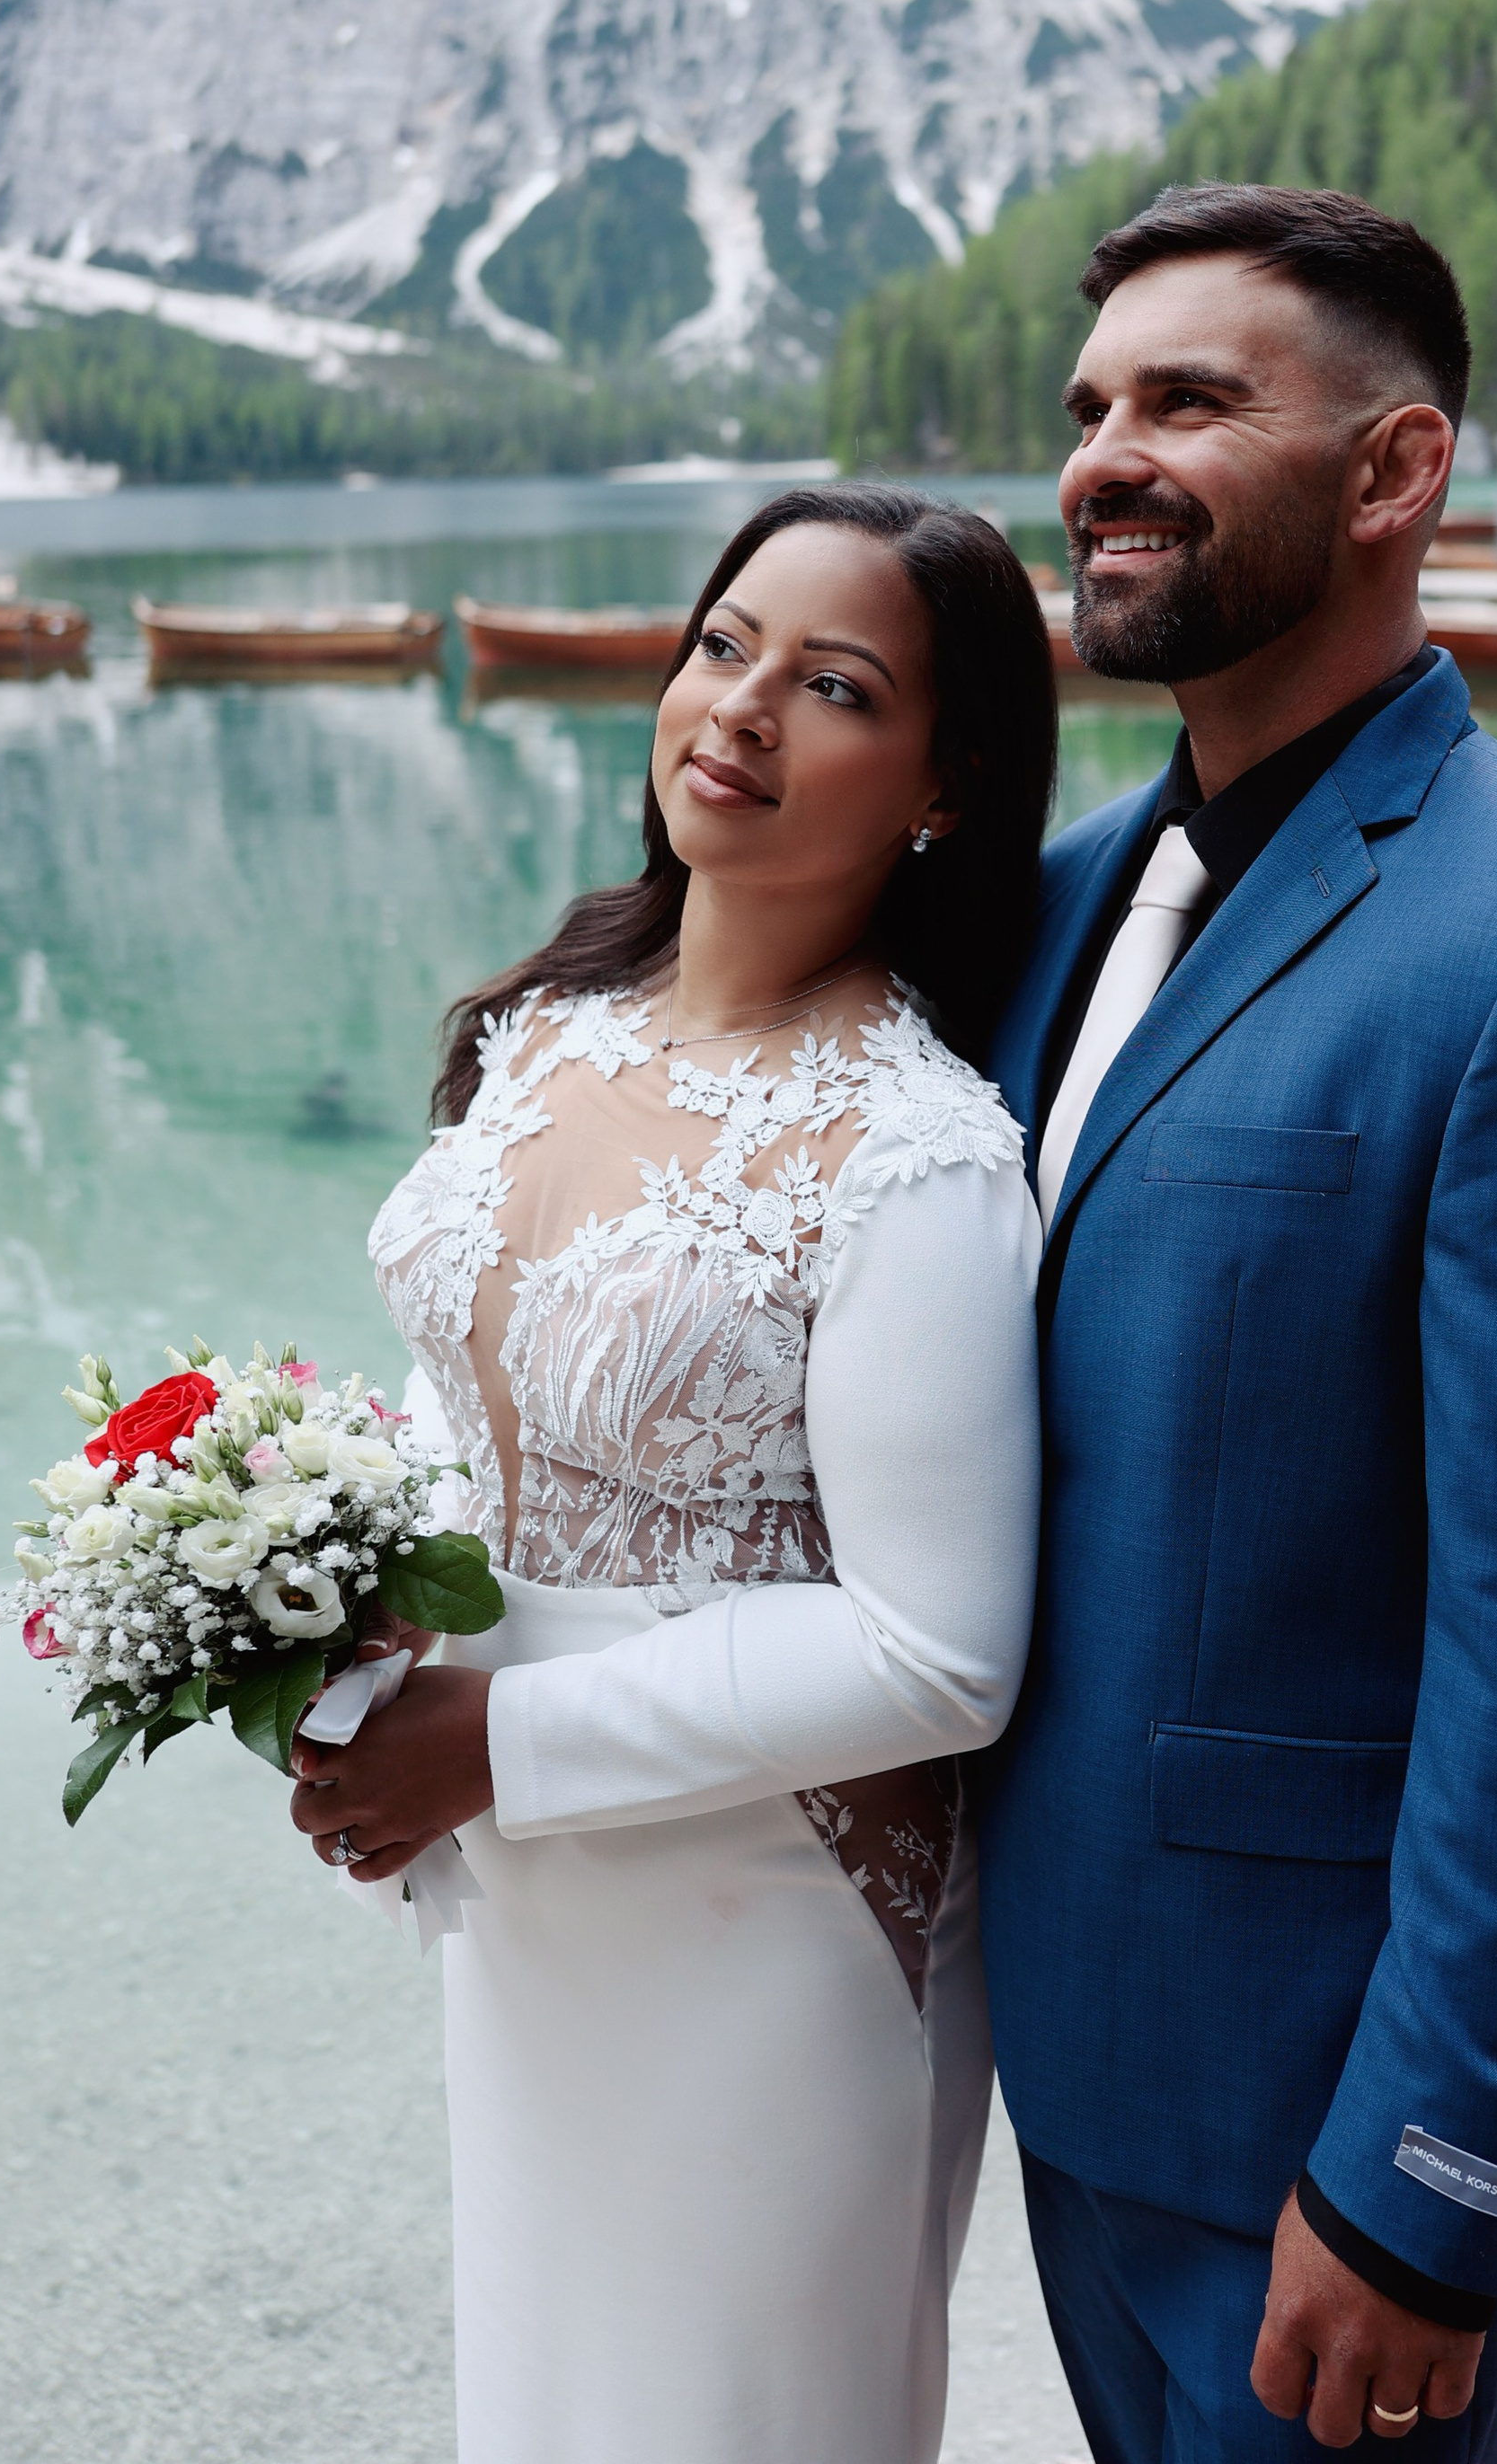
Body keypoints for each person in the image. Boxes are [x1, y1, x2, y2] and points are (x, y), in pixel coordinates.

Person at [979, 184, 1497, 2461]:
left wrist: (1433, 2183)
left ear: (1391, 472)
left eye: (1188, 400)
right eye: (1087, 406)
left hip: (1333, 2145)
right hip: (1069, 2070)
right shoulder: (1051, 915)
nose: (1100, 457)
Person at [288, 487, 1057, 2464]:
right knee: (551, 2401)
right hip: (531, 1891)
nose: (739, 710)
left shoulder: (913, 1153)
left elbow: (940, 1656)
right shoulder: (543, 1031)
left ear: (944, 787)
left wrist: (492, 1739)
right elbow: (483, 1415)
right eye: (725, 645)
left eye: (834, 686)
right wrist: (340, 1611)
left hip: (769, 1903)